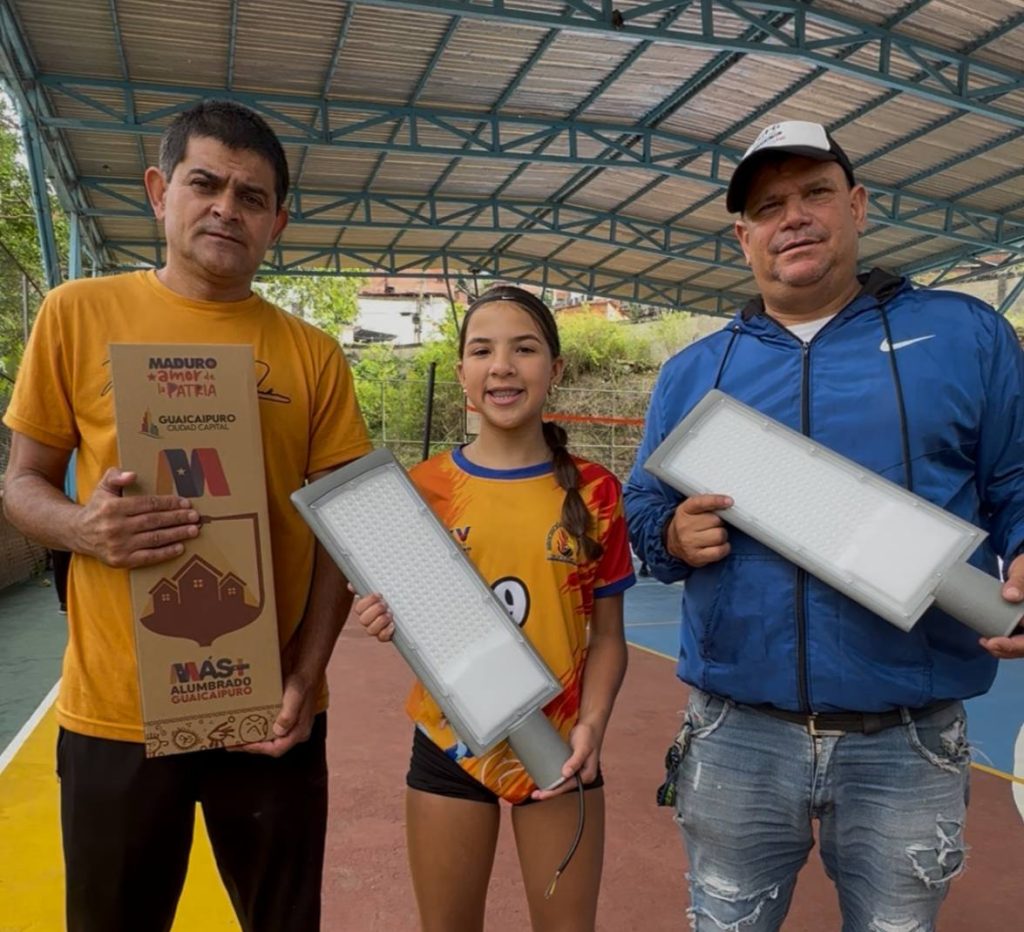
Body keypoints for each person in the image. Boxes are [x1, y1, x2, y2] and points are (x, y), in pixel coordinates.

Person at [624, 120, 1024, 931]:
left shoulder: (964, 335)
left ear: (859, 205)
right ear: (744, 238)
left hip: (908, 737)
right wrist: (669, 537)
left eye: (814, 193)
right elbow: (643, 509)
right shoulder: (695, 373)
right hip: (737, 729)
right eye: (768, 206)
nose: (793, 217)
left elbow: (1018, 477)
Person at [2, 100, 372, 932]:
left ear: (277, 221)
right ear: (159, 191)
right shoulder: (75, 314)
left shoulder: (311, 354)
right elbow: (20, 483)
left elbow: (343, 542)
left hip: (266, 712)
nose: (225, 209)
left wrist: (304, 681)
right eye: (205, 184)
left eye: (251, 197)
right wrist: (81, 529)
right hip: (116, 710)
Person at [352, 285, 635, 932]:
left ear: (554, 370)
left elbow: (610, 637)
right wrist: (385, 621)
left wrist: (591, 727)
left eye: (524, 349)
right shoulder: (420, 491)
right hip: (448, 747)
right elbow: (411, 615)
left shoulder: (596, 491)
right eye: (482, 350)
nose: (502, 366)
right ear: (463, 375)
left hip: (559, 748)